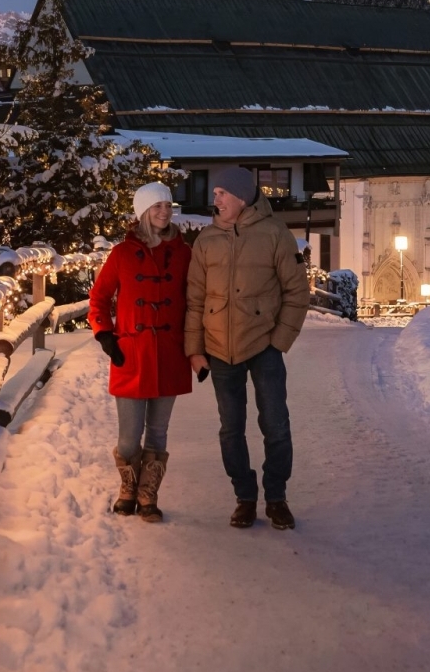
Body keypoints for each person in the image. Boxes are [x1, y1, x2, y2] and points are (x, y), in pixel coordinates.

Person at [185, 166, 310, 530]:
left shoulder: (275, 234)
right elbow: (194, 300)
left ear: (242, 197)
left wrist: (279, 341)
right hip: (220, 349)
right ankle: (244, 497)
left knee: (276, 425)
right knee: (230, 429)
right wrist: (196, 350)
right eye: (216, 193)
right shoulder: (206, 241)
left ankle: (276, 498)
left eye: (223, 193)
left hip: (264, 346)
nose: (216, 199)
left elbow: (297, 292)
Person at [87, 182, 195, 522]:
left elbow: (196, 301)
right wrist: (106, 336)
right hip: (130, 355)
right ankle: (127, 488)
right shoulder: (121, 254)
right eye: (156, 206)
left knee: (158, 432)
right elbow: (99, 298)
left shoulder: (183, 253)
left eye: (167, 205)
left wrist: (196, 345)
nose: (164, 212)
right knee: (129, 437)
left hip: (169, 353)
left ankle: (147, 495)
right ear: (142, 212)